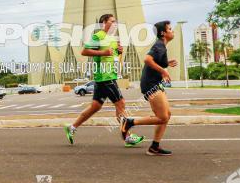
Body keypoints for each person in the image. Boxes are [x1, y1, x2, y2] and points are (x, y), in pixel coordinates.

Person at [64, 13, 144, 147]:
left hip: (107, 76)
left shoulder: (112, 39)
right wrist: (103, 52)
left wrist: (119, 51)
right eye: (112, 21)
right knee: (121, 104)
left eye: (115, 22)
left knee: (95, 107)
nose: (115, 24)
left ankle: (72, 127)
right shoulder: (98, 36)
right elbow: (84, 51)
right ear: (103, 24)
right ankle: (127, 137)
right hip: (105, 76)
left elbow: (113, 57)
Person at [120, 20, 177, 156]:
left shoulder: (162, 46)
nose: (172, 31)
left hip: (154, 83)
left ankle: (154, 147)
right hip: (151, 84)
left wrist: (166, 63)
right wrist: (163, 71)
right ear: (163, 33)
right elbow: (147, 60)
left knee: (166, 115)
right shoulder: (159, 45)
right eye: (170, 29)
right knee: (162, 117)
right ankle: (129, 122)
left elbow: (155, 61)